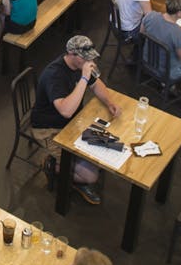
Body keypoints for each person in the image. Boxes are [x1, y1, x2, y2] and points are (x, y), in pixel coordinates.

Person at [32, 36, 123, 205]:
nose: (89, 61)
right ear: (71, 54)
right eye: (85, 57)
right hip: (49, 128)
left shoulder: (80, 64)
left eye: (91, 57)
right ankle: (52, 166)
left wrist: (110, 102)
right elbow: (66, 111)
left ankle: (73, 166)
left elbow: (97, 84)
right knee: (91, 176)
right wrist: (83, 78)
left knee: (107, 149)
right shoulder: (54, 75)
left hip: (73, 123)